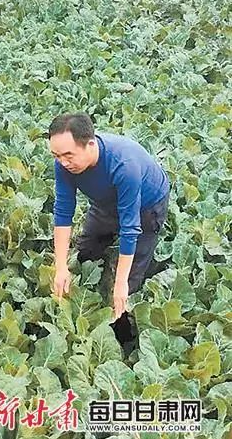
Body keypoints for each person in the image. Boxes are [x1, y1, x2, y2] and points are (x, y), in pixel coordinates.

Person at [49, 112, 170, 342]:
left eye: (68, 155)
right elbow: (63, 212)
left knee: (128, 285)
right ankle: (89, 294)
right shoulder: (64, 165)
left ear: (90, 145)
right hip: (104, 203)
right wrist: (61, 267)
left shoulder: (124, 165)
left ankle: (121, 335)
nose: (63, 162)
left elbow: (130, 226)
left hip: (147, 204)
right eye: (56, 155)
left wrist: (120, 282)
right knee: (85, 253)